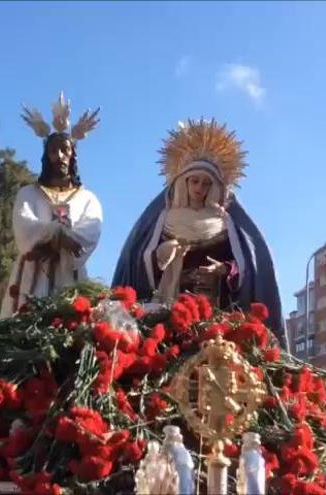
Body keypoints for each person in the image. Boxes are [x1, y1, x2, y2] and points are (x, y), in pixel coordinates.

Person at [113, 119, 285, 346]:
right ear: (183, 182)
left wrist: (223, 269)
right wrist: (159, 256)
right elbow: (136, 262)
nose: (199, 188)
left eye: (206, 183)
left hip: (214, 311)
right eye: (194, 181)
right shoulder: (163, 220)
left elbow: (248, 265)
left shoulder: (225, 221)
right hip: (170, 310)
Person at [0, 93, 103, 318]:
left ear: (73, 155)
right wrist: (55, 233)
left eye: (65, 150)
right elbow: (24, 226)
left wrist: (68, 239)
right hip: (32, 276)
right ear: (46, 156)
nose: (60, 156)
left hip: (70, 274)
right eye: (54, 151)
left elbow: (91, 228)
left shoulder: (87, 198)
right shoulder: (28, 194)